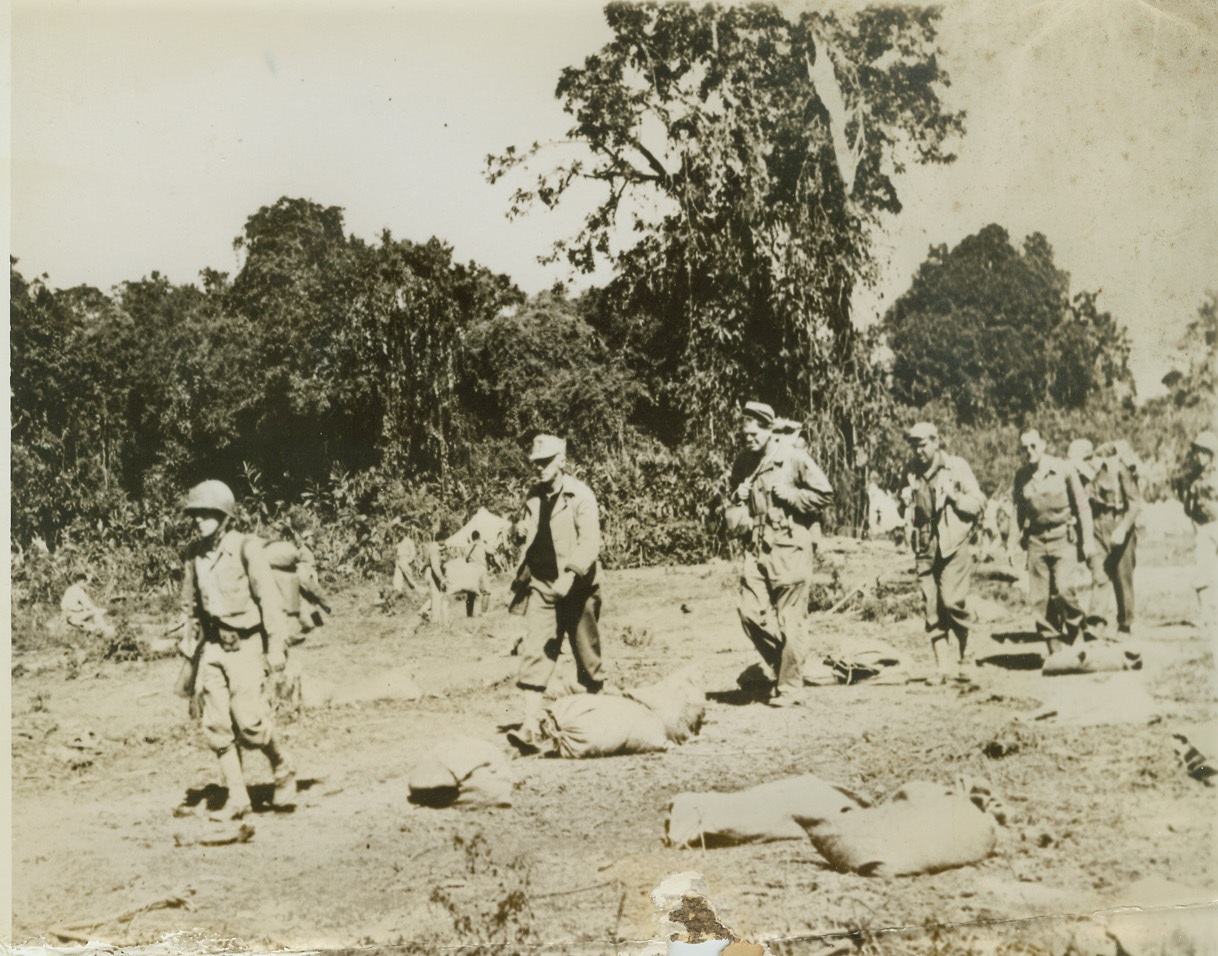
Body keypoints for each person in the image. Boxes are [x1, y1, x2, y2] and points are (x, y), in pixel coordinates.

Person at [178, 480, 296, 819]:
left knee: (250, 723)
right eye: (195, 515)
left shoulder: (245, 549)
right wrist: (188, 643)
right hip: (212, 648)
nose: (197, 520)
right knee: (215, 725)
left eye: (205, 514)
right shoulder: (193, 555)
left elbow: (270, 601)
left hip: (246, 646)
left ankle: (284, 767)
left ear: (223, 516)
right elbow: (189, 605)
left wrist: (276, 649)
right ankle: (238, 797)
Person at [728, 401, 833, 706]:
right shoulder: (743, 463)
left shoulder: (793, 458)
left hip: (790, 546)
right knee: (748, 613)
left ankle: (790, 687)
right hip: (756, 546)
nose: (749, 439)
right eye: (744, 434)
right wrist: (738, 498)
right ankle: (785, 666)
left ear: (769, 429)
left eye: (754, 433)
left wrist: (792, 496)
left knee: (791, 620)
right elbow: (732, 504)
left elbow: (825, 494)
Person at [508, 434, 605, 749]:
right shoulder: (533, 496)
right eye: (535, 463)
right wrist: (517, 532)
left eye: (545, 462)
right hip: (542, 586)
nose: (538, 468)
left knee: (586, 656)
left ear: (561, 462)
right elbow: (526, 530)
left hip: (577, 589)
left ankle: (596, 717)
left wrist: (572, 573)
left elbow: (591, 541)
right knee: (535, 652)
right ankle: (529, 726)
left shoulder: (581, 495)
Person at [904, 422, 985, 670]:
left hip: (953, 542)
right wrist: (903, 501)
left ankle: (966, 645)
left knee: (950, 601)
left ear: (936, 442)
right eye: (914, 446)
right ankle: (943, 664)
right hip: (925, 544)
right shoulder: (910, 471)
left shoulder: (955, 467)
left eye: (923, 445)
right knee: (931, 606)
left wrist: (955, 497)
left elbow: (979, 502)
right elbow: (906, 507)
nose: (918, 451)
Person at [1013, 430, 1095, 650]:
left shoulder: (1064, 469)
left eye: (1033, 446)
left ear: (1043, 444)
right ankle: (1053, 646)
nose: (1029, 451)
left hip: (1063, 536)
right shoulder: (1021, 476)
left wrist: (1088, 540)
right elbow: (1018, 513)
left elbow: (1083, 505)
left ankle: (1077, 632)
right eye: (1024, 448)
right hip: (1036, 540)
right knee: (1040, 598)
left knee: (1063, 588)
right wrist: (1012, 544)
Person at [1071, 438, 1141, 637]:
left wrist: (1123, 528)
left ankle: (1125, 624)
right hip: (1095, 524)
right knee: (1099, 573)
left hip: (1119, 522)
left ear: (1090, 458)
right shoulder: (1082, 476)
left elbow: (1135, 503)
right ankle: (1096, 622)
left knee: (1122, 577)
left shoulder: (1118, 468)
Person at [1182, 430, 1218, 635]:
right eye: (1197, 452)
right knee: (1204, 573)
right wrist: (1196, 521)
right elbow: (1188, 506)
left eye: (1203, 452)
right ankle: (1208, 616)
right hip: (1205, 528)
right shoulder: (1194, 477)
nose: (1199, 456)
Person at [410, 528, 451, 632]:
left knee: (437, 595)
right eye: (445, 540)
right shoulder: (435, 549)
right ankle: (434, 620)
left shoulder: (434, 546)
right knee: (436, 596)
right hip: (431, 573)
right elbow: (435, 566)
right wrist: (441, 578)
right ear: (441, 539)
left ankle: (424, 610)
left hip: (430, 572)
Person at [60, 571, 116, 638]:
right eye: (84, 582)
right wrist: (103, 610)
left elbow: (63, 605)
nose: (85, 584)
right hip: (73, 615)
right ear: (80, 581)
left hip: (67, 614)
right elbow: (88, 605)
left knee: (94, 613)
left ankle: (102, 629)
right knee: (95, 612)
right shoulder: (79, 590)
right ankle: (104, 629)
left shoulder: (69, 589)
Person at [464, 530, 491, 617]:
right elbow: (492, 551)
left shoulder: (468, 547)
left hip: (471, 569)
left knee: (470, 593)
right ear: (479, 536)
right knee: (486, 591)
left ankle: (469, 614)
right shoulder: (482, 544)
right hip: (481, 568)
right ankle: (484, 612)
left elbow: (465, 558)